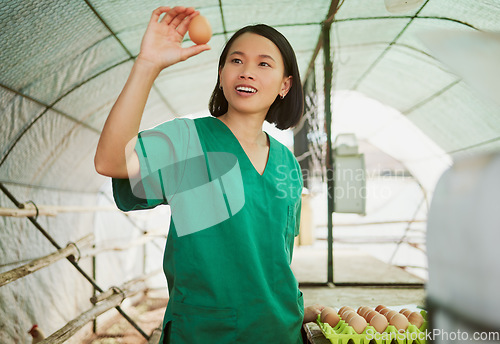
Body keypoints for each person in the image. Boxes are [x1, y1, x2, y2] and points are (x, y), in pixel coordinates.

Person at [94, 6, 324, 343]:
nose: (247, 71)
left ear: (285, 85)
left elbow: (275, 260)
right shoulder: (186, 140)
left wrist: (296, 306)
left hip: (279, 330)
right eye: (236, 61)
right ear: (221, 74)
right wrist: (148, 65)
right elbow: (111, 161)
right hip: (203, 332)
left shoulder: (287, 163)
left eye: (264, 63)